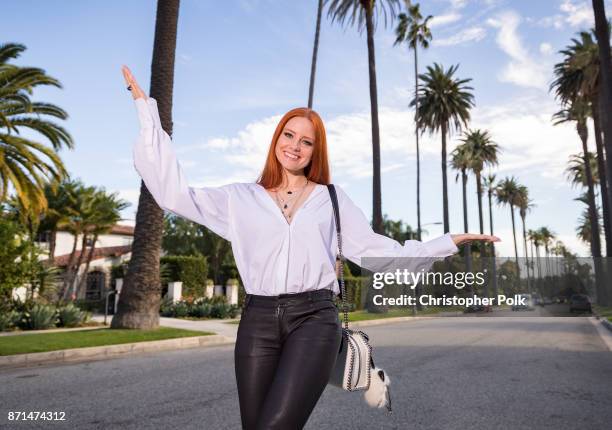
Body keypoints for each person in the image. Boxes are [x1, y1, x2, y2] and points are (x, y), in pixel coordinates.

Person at [121, 65, 500, 429]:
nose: (295, 146)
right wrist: (146, 112)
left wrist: (446, 242)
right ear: (276, 139)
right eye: (288, 135)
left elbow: (376, 251)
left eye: (306, 141)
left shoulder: (330, 199)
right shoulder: (240, 198)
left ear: (316, 151)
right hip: (257, 321)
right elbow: (174, 194)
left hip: (314, 320)